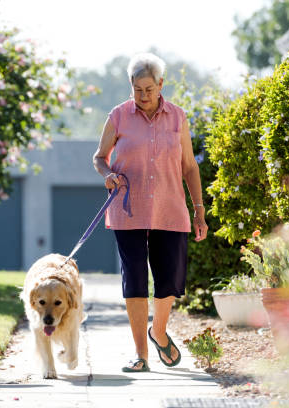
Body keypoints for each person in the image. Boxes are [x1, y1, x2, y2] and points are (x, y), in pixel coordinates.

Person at [92, 52, 208, 372]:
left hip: (170, 208)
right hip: (129, 209)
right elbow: (100, 157)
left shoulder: (177, 118)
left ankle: (158, 331)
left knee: (169, 278)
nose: (143, 96)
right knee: (135, 280)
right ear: (130, 84)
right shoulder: (118, 116)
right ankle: (141, 355)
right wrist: (108, 175)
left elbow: (189, 167)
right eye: (137, 89)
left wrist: (199, 211)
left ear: (160, 84)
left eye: (149, 89)